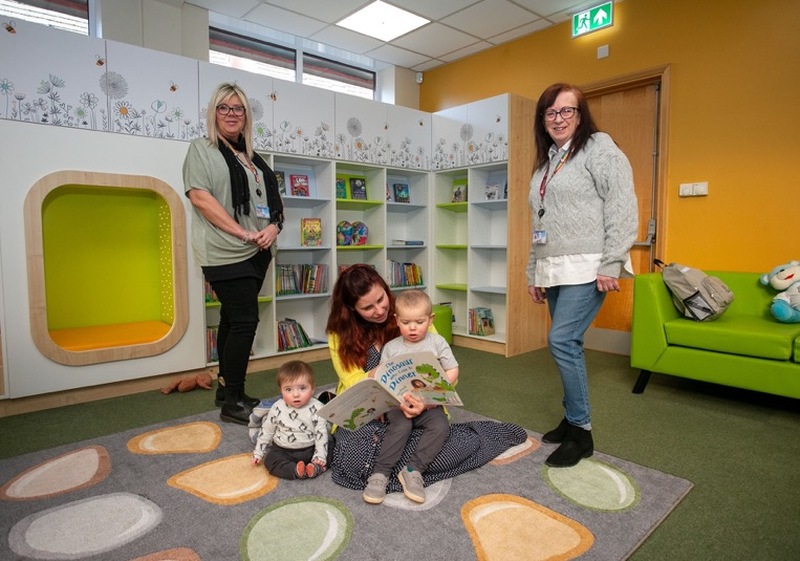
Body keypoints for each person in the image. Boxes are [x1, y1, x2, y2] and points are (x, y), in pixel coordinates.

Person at [326, 264, 527, 494]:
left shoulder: (414, 315)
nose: (379, 310)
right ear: (352, 309)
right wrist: (379, 376)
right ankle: (393, 470)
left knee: (436, 436)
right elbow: (352, 381)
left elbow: (444, 372)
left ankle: (411, 468)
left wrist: (426, 400)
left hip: (423, 409)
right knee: (356, 458)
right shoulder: (339, 334)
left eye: (381, 299)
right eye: (367, 307)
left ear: (385, 288)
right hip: (373, 415)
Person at [527, 83, 638, 467]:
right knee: (566, 345)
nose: (558, 119)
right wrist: (534, 271)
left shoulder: (599, 149)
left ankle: (582, 432)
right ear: (543, 119)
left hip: (589, 265)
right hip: (555, 267)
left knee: (561, 340)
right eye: (551, 113)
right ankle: (570, 418)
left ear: (581, 113)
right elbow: (538, 224)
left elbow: (622, 206)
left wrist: (612, 262)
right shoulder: (547, 163)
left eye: (566, 111)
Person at [183, 82, 284, 425]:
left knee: (230, 318)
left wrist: (272, 227)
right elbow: (200, 198)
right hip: (225, 251)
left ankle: (228, 391)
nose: (231, 114)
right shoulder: (202, 149)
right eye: (224, 108)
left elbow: (271, 205)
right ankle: (234, 403)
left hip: (257, 250)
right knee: (245, 321)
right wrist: (242, 232)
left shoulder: (251, 157)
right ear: (214, 113)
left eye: (238, 108)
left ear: (246, 116)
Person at [362, 289, 459, 505]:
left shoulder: (437, 343)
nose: (412, 328)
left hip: (428, 404)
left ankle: (413, 470)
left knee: (441, 426)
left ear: (430, 319)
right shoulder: (391, 347)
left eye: (419, 322)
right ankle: (380, 474)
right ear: (396, 320)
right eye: (406, 322)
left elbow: (452, 370)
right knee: (401, 426)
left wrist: (435, 395)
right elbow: (383, 378)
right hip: (399, 405)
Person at [249, 360, 330, 479]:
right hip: (283, 450)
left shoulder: (317, 407)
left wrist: (320, 456)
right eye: (288, 390)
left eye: (302, 388)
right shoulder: (277, 408)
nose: (296, 394)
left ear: (312, 389)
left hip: (311, 448)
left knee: (331, 443)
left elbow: (320, 433)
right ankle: (295, 470)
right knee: (270, 460)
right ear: (281, 390)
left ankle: (316, 467)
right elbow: (267, 430)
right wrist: (258, 453)